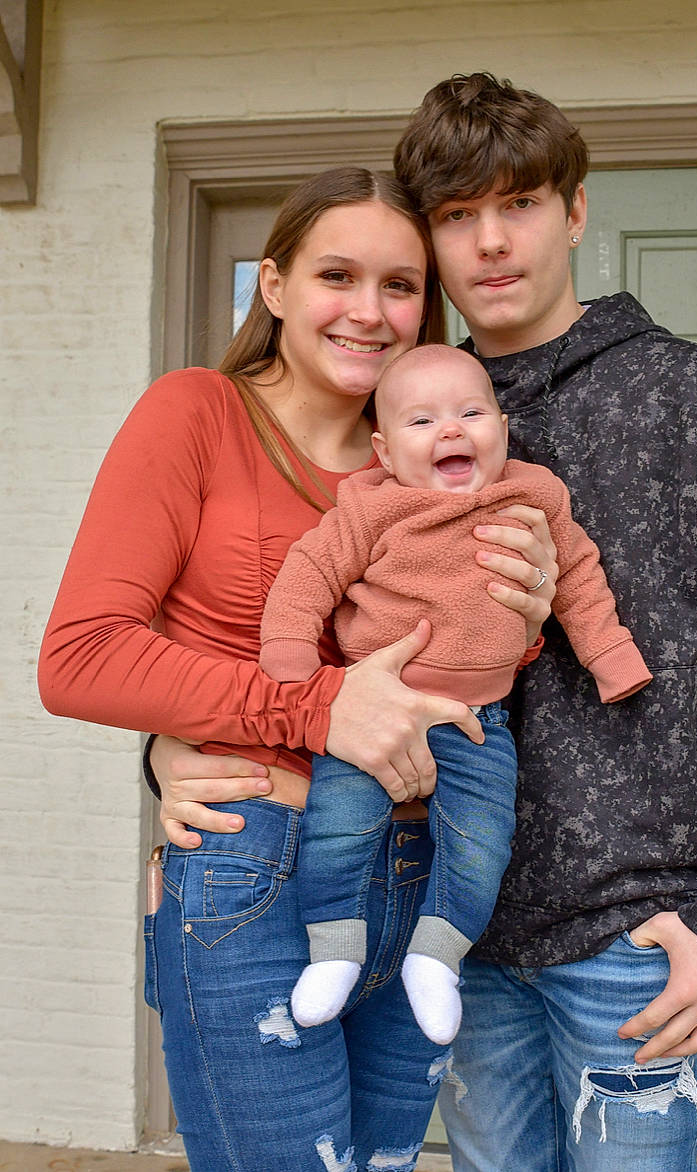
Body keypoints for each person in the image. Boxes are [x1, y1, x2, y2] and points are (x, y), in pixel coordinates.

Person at [37, 166, 558, 1172]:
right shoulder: (197, 412)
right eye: (336, 276)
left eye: (400, 286)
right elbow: (81, 655)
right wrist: (311, 711)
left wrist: (527, 623)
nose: (369, 311)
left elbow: (463, 657)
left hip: (425, 876)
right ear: (273, 286)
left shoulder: (437, 451)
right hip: (257, 870)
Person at [389, 73, 697, 1171]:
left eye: (517, 203)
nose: (490, 240)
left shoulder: (691, 399)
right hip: (455, 935)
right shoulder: (400, 419)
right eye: (457, 214)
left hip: (637, 943)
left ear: (574, 211)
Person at [259, 342, 651, 1046]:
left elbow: (578, 577)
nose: (449, 430)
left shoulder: (533, 496)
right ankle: (334, 952)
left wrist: (610, 656)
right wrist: (289, 649)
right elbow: (309, 570)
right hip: (372, 712)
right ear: (383, 450)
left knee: (480, 844)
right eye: (421, 421)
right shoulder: (371, 507)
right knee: (340, 829)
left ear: (502, 427)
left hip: (480, 722)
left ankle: (434, 959)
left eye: (471, 413)